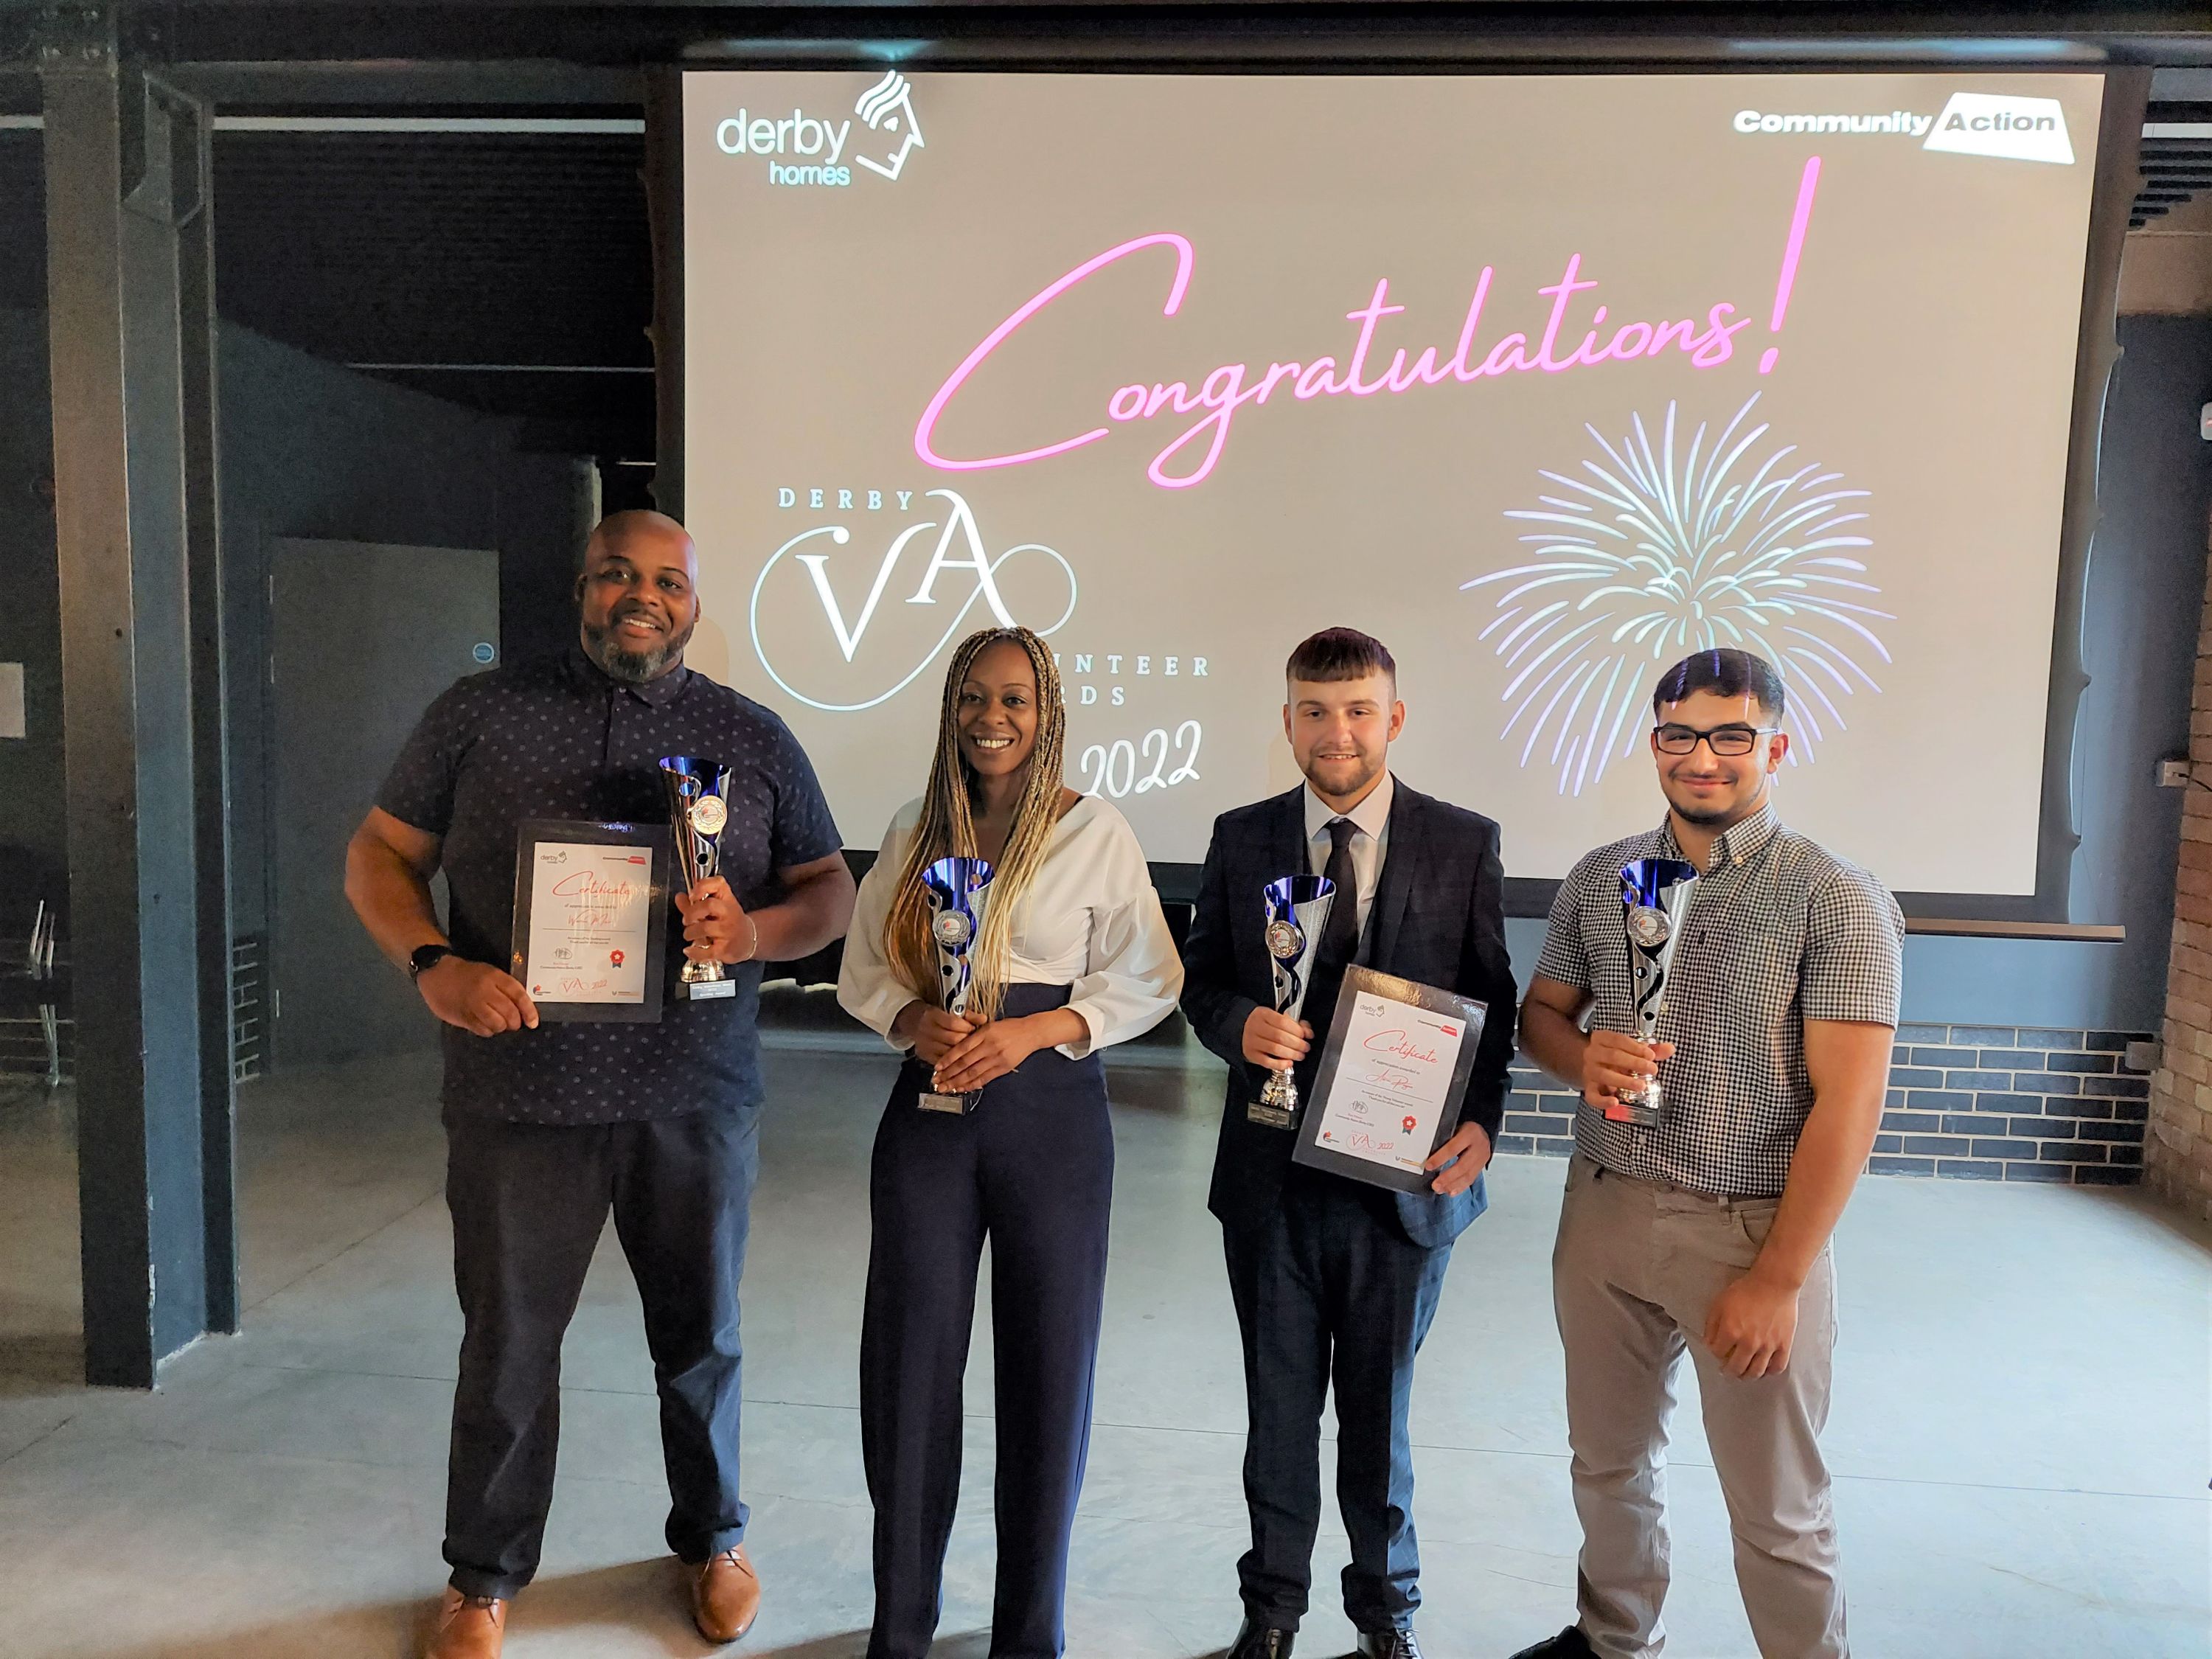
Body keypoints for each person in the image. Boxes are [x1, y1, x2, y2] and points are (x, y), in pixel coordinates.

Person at [344, 510, 857, 1659]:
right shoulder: (478, 715)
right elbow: (377, 853)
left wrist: (755, 928)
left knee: (702, 1336)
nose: (643, 594)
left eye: (667, 579)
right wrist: (435, 964)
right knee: (509, 1344)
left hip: (694, 1088)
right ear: (581, 587)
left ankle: (712, 1538)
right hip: (519, 1092)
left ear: (693, 600)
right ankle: (483, 1576)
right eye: (618, 573)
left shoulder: (751, 734)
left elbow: (830, 887)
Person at [1509, 647, 1902, 1659]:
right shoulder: (1603, 878)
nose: (1705, 757)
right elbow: (1541, 1017)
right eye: (1682, 734)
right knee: (1607, 1466)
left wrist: (1779, 1276)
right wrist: (1580, 1054)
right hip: (1602, 1215)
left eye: (1732, 734)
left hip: (1749, 1228)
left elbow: (1850, 1105)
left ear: (1775, 742)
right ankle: (1615, 1640)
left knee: (1777, 1509)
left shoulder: (1835, 898)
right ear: (1655, 744)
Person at [836, 625, 1183, 1659]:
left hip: (1052, 1119)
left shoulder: (1094, 830)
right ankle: (899, 1629)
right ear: (951, 709)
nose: (994, 717)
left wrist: (1035, 1028)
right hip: (929, 1117)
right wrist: (912, 1021)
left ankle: (1029, 1634)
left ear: (1050, 714)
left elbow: (1149, 977)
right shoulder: (912, 827)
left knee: (1048, 1372)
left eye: (1016, 700)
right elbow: (865, 968)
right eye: (975, 698)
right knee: (907, 1371)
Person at [1180, 627, 1519, 1659]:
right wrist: (1238, 1024)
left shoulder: (1462, 840)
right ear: (1287, 721)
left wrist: (1483, 1127)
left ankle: (1386, 1623)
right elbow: (1201, 977)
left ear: (1395, 718)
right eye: (1316, 712)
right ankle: (1271, 1615)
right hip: (1271, 1180)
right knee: (1276, 1413)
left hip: (1400, 1186)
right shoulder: (1240, 837)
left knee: (1381, 1422)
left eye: (1359, 709)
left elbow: (1493, 1006)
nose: (1338, 732)